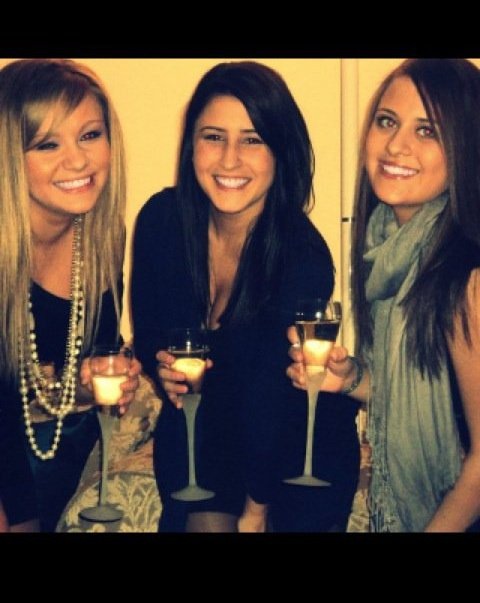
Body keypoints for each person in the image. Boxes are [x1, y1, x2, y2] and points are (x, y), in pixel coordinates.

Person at [131, 60, 360, 532]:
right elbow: (150, 330)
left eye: (252, 140)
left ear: (281, 152)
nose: (229, 159)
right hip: (203, 434)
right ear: (191, 145)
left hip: (296, 448)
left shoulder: (303, 255)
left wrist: (256, 511)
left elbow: (274, 399)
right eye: (213, 136)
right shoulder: (161, 221)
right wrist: (161, 367)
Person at [288, 58, 480, 532]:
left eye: (427, 131)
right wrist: (350, 378)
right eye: (388, 122)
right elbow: (414, 390)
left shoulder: (467, 278)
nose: (396, 145)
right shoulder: (389, 254)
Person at [0, 58, 141, 532]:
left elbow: (90, 360)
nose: (78, 161)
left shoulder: (102, 236)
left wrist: (90, 382)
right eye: (48, 144)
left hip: (69, 455)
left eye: (90, 135)